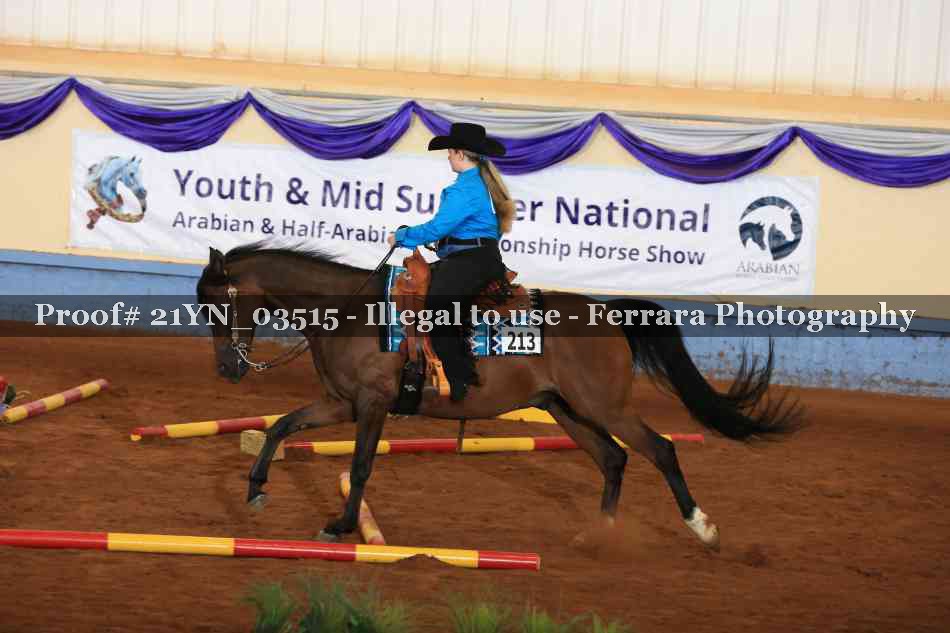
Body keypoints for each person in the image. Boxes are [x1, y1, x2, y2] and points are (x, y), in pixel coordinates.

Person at [387, 122, 515, 401]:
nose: (447, 156)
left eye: (450, 151)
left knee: (436, 308)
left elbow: (436, 228)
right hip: (477, 258)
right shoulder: (482, 184)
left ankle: (460, 378)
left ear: (459, 153)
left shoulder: (465, 190)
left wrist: (401, 236)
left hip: (470, 262)